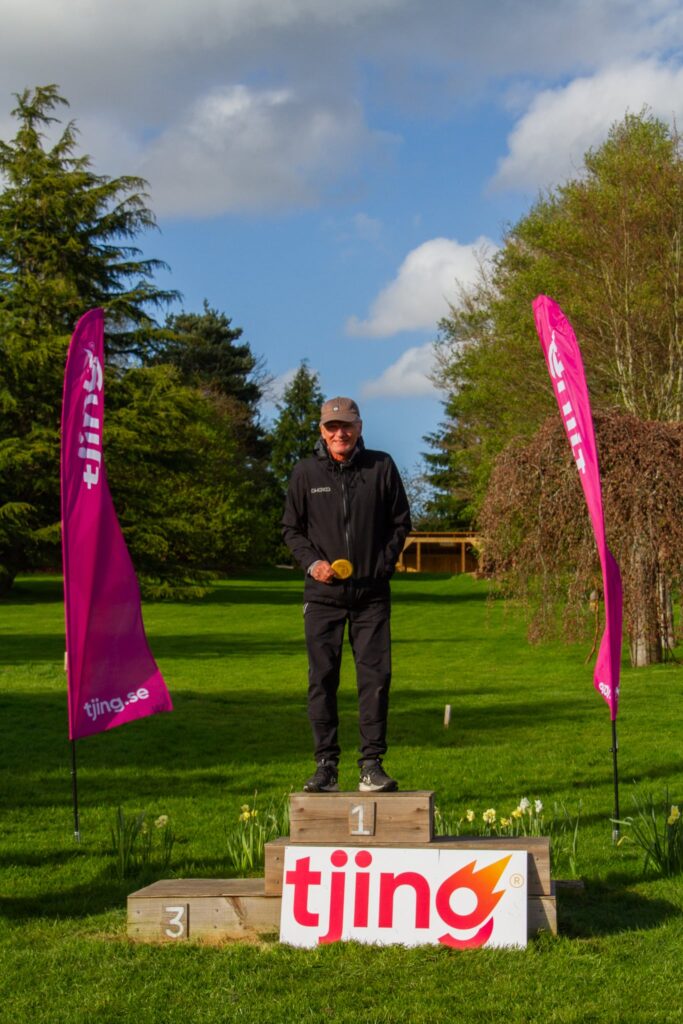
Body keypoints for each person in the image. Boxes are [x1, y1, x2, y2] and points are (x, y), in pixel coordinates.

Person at [282, 396, 411, 793]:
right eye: (332, 427)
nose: (340, 433)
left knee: (375, 679)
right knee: (322, 679)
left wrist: (380, 567)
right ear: (321, 431)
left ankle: (371, 765)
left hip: (371, 595)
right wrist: (312, 564)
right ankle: (326, 767)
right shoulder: (305, 473)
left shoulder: (381, 467)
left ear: (359, 427)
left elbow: (400, 523)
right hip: (322, 595)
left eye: (347, 426)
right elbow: (291, 529)